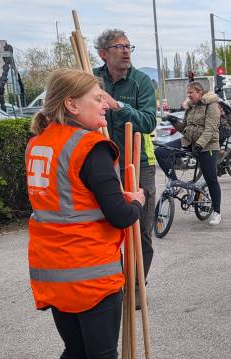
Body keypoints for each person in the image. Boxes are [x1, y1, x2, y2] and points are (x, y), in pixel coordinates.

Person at [26, 69, 145, 359]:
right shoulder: (89, 148)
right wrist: (137, 201)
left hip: (53, 273)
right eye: (98, 98)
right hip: (91, 273)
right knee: (103, 357)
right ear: (71, 104)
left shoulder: (39, 143)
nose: (105, 104)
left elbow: (65, 202)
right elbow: (120, 215)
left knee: (75, 352)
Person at [92, 28, 157, 281]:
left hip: (137, 163)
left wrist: (117, 105)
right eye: (119, 47)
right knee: (104, 227)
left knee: (140, 231)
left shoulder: (140, 81)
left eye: (128, 46)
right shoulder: (91, 78)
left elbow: (149, 121)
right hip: (103, 163)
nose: (126, 51)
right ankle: (114, 283)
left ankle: (137, 285)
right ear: (103, 54)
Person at [155, 82, 223, 225]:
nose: (189, 96)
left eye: (191, 93)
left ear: (199, 92)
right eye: (188, 93)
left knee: (211, 180)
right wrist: (174, 121)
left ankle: (216, 212)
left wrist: (199, 145)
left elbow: (210, 130)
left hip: (207, 146)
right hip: (188, 142)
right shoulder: (190, 107)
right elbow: (185, 128)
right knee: (161, 152)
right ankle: (176, 183)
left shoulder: (212, 106)